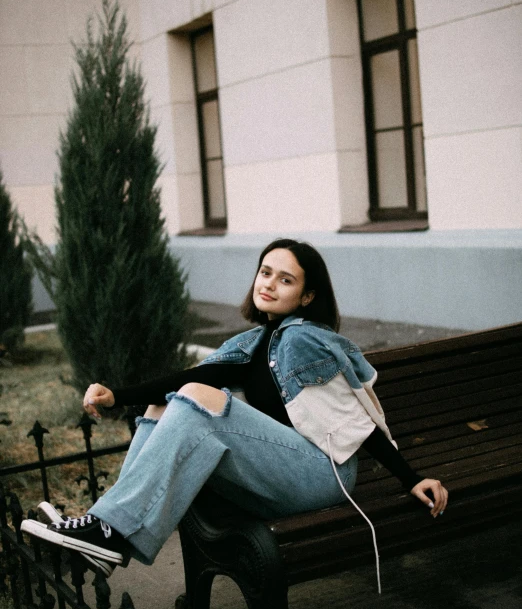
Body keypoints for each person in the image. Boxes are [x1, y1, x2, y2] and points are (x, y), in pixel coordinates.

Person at [22, 239, 448, 586]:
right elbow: (188, 376)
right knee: (168, 398)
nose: (270, 284)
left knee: (194, 394)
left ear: (307, 295)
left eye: (286, 280)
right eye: (266, 273)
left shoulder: (303, 342)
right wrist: (116, 396)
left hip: (321, 475)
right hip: (278, 471)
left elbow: (359, 422)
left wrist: (411, 479)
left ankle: (107, 531)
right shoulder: (253, 343)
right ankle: (105, 532)